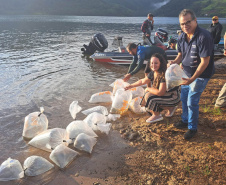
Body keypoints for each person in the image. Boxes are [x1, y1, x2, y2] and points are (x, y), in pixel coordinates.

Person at [168, 9, 215, 140]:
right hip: (186, 73)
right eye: (182, 24)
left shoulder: (203, 36)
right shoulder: (182, 36)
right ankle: (184, 120)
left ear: (195, 21)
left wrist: (193, 78)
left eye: (188, 22)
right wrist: (174, 62)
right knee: (183, 98)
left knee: (191, 101)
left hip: (200, 75)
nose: (185, 26)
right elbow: (180, 55)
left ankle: (192, 128)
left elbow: (205, 61)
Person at [125, 53, 180, 123]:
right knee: (148, 96)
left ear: (161, 63)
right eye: (152, 63)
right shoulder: (153, 72)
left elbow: (160, 92)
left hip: (174, 97)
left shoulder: (164, 74)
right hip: (167, 95)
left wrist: (148, 89)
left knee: (149, 96)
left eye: (156, 63)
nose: (153, 65)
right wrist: (130, 86)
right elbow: (142, 81)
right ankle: (170, 108)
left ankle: (157, 115)